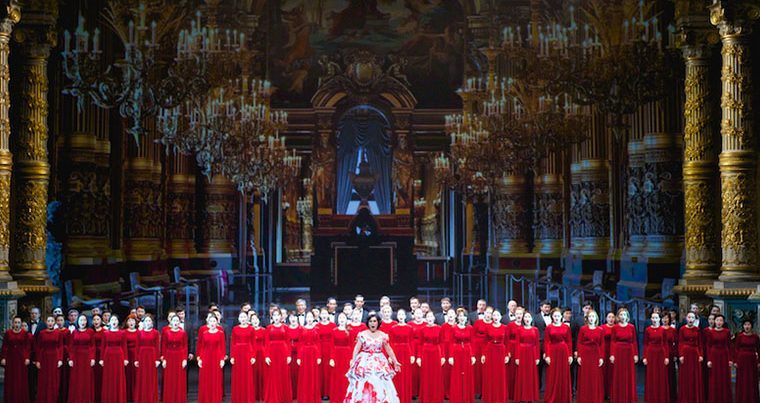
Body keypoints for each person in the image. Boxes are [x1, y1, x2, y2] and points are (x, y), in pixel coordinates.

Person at [343, 313, 401, 403]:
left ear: (378, 322)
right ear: (368, 323)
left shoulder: (383, 335)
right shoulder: (362, 334)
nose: (372, 323)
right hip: (364, 362)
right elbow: (356, 349)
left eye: (374, 321)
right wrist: (353, 361)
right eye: (370, 321)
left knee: (380, 381)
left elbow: (389, 349)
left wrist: (395, 361)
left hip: (379, 361)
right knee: (363, 382)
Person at [543, 308, 572, 403]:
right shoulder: (549, 327)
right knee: (552, 374)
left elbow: (569, 342)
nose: (556, 318)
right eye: (555, 316)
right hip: (553, 351)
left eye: (558, 316)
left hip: (564, 351)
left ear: (561, 316)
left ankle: (563, 397)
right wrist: (547, 355)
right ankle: (552, 397)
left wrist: (570, 355)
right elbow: (546, 342)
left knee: (563, 374)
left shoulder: (566, 327)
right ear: (552, 317)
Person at [33, 315, 64, 403]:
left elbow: (60, 346)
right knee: (43, 380)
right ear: (46, 322)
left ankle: (53, 399)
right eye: (48, 321)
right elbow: (39, 347)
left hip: (54, 357)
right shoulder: (42, 333)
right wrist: (38, 360)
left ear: (54, 322)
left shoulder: (58, 333)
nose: (50, 323)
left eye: (52, 321)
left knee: (54, 380)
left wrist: (60, 359)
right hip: (44, 358)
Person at [1, 316, 32, 403]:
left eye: (19, 323)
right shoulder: (8, 333)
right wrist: (3, 357)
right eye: (15, 322)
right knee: (11, 379)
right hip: (10, 359)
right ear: (13, 323)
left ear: (21, 324)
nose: (17, 324)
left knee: (20, 379)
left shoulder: (25, 333)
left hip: (21, 359)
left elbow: (27, 347)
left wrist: (27, 358)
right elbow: (4, 346)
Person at [265, 309, 293, 403]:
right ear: (272, 317)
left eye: (278, 315)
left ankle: (283, 397)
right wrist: (267, 356)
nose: (276, 317)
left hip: (283, 352)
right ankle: (273, 397)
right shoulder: (268, 328)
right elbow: (266, 342)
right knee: (273, 375)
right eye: (274, 315)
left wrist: (289, 355)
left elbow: (288, 342)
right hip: (272, 352)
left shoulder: (286, 327)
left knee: (283, 374)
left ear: (281, 316)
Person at [610, 308, 638, 403]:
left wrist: (635, 354)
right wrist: (612, 354)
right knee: (619, 374)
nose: (622, 316)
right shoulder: (615, 327)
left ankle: (629, 397)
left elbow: (634, 341)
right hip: (618, 351)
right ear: (618, 316)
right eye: (621, 315)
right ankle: (619, 397)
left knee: (629, 374)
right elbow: (613, 342)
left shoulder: (631, 327)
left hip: (629, 352)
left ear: (627, 316)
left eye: (624, 315)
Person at [575, 310, 604, 403]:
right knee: (585, 377)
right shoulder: (583, 329)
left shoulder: (600, 330)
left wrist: (601, 357)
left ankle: (594, 398)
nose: (591, 318)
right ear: (587, 318)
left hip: (595, 354)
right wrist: (579, 355)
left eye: (593, 316)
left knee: (595, 377)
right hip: (585, 354)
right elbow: (579, 342)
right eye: (590, 317)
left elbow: (602, 344)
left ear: (596, 318)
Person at [67, 313, 95, 403]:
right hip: (76, 357)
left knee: (86, 379)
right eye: (81, 320)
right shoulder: (74, 332)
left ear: (87, 321)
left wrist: (92, 358)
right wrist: (71, 358)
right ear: (77, 321)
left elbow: (92, 346)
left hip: (87, 357)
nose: (83, 322)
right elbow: (71, 346)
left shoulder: (90, 331)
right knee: (76, 379)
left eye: (84, 320)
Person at [197, 313, 226, 403]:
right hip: (206, 357)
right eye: (211, 321)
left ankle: (215, 399)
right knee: (205, 378)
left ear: (217, 322)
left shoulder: (221, 333)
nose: (213, 323)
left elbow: (222, 347)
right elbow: (202, 346)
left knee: (216, 378)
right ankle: (205, 399)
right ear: (208, 322)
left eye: (214, 321)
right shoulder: (204, 333)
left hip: (216, 357)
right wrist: (200, 358)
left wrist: (222, 359)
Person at [448, 308, 475, 403]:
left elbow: (472, 342)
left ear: (466, 317)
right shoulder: (453, 328)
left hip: (467, 352)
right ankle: (457, 398)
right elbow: (451, 342)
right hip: (457, 352)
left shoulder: (470, 328)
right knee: (457, 375)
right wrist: (451, 356)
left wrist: (473, 356)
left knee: (467, 375)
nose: (462, 318)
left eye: (463, 316)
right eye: (460, 316)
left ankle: (467, 398)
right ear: (457, 317)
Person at [481, 310, 508, 403]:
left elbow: (507, 342)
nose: (496, 317)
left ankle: (500, 397)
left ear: (501, 317)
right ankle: (490, 397)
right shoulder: (488, 327)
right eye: (494, 315)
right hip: (490, 350)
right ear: (492, 317)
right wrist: (483, 354)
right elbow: (485, 342)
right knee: (490, 374)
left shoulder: (505, 327)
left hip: (501, 351)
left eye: (498, 315)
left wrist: (507, 355)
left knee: (500, 374)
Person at [513, 312, 540, 403]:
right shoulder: (519, 329)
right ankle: (522, 397)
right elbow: (517, 343)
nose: (527, 319)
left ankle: (530, 397)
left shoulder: (535, 329)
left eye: (529, 317)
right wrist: (517, 357)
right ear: (523, 319)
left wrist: (537, 357)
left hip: (532, 354)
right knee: (522, 375)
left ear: (532, 318)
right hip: (522, 353)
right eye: (526, 317)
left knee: (530, 375)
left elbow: (537, 344)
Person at [643, 311, 669, 403]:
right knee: (651, 374)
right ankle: (651, 397)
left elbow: (665, 344)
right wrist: (645, 357)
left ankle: (661, 396)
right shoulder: (648, 330)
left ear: (659, 319)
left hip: (660, 353)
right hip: (651, 353)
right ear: (651, 319)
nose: (654, 320)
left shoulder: (663, 330)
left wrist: (666, 357)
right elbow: (645, 344)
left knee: (660, 375)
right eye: (653, 318)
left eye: (656, 318)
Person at [101, 315, 128, 403]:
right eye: (112, 319)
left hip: (119, 356)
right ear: (109, 322)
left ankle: (119, 398)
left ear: (118, 322)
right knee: (109, 377)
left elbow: (124, 346)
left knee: (118, 377)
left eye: (115, 319)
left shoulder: (122, 333)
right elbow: (103, 346)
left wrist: (125, 359)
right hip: (108, 356)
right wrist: (101, 359)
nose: (114, 321)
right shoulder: (105, 333)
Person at [389, 309, 414, 403]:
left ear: (405, 316)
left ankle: (406, 398)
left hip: (406, 351)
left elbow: (411, 341)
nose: (401, 316)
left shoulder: (410, 328)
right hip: (396, 351)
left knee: (406, 374)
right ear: (397, 316)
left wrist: (412, 355)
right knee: (396, 375)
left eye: (402, 314)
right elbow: (390, 342)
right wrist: (390, 356)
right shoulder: (393, 328)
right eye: (399, 314)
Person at [678, 311, 704, 403]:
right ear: (686, 318)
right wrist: (680, 355)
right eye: (689, 317)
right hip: (685, 353)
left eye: (692, 317)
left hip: (695, 353)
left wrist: (701, 355)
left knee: (695, 375)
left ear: (695, 319)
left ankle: (695, 398)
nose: (690, 319)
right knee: (686, 376)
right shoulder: (682, 329)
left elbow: (700, 343)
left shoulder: (697, 330)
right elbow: (680, 343)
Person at [418, 311, 444, 403]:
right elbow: (420, 344)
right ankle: (426, 398)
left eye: (431, 316)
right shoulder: (422, 329)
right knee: (426, 375)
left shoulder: (439, 328)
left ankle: (436, 398)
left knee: (436, 376)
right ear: (426, 318)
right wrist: (419, 357)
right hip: (425, 353)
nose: (429, 318)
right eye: (428, 317)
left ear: (433, 318)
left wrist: (442, 356)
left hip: (436, 353)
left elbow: (442, 343)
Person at [162, 313, 188, 403]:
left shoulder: (183, 332)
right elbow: (164, 346)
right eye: (174, 320)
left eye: (177, 321)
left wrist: (184, 359)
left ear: (179, 322)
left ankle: (179, 399)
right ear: (171, 322)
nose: (176, 322)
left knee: (179, 378)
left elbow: (185, 346)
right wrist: (164, 359)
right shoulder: (166, 332)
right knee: (169, 378)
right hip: (169, 356)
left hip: (179, 356)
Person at [705, 314, 731, 403]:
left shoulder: (727, 331)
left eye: (721, 320)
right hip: (714, 355)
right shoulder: (710, 332)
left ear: (723, 322)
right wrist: (709, 359)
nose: (719, 322)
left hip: (724, 355)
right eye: (717, 320)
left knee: (724, 377)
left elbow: (729, 345)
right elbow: (708, 346)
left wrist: (730, 359)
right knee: (714, 377)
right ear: (714, 321)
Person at [231, 311, 256, 403]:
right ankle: (238, 398)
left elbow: (253, 343)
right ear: (238, 319)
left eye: (245, 317)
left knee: (248, 375)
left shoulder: (251, 329)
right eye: (241, 317)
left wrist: (253, 356)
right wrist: (232, 356)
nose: (243, 319)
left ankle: (248, 398)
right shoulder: (235, 329)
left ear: (247, 318)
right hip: (238, 353)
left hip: (248, 353)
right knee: (238, 375)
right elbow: (233, 343)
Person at [134, 315, 160, 403]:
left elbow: (157, 346)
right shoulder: (139, 333)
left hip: (152, 356)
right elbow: (137, 346)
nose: (148, 322)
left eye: (149, 321)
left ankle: (151, 398)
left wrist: (157, 359)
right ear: (143, 322)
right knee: (142, 377)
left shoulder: (155, 332)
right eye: (146, 321)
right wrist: (136, 359)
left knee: (151, 377)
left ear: (152, 322)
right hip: (142, 356)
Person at [298, 312, 322, 403]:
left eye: (311, 317)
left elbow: (318, 343)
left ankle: (313, 398)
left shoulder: (317, 329)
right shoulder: (302, 329)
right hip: (304, 353)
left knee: (313, 374)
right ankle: (304, 398)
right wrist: (299, 357)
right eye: (307, 317)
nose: (309, 318)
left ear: (313, 318)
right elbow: (300, 343)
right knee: (304, 375)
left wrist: (319, 356)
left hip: (314, 353)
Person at [733, 319, 759, 403]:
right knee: (742, 379)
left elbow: (759, 349)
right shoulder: (740, 336)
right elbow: (736, 349)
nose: (747, 326)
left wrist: (759, 362)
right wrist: (735, 361)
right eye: (745, 325)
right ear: (743, 326)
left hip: (752, 360)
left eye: (748, 325)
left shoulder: (756, 337)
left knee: (752, 379)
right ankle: (741, 399)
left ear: (751, 326)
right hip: (741, 360)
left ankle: (752, 399)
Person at [317, 308, 337, 399]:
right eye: (323, 314)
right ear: (320, 315)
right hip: (319, 348)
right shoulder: (317, 326)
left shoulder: (333, 325)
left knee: (329, 371)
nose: (324, 315)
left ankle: (329, 392)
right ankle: (320, 392)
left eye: (326, 313)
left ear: (328, 315)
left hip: (330, 349)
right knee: (320, 370)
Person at [506, 307, 524, 401]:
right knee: (512, 371)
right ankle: (512, 393)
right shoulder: (510, 325)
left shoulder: (525, 325)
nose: (519, 316)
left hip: (523, 350)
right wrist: (508, 351)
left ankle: (521, 393)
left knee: (521, 372)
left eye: (520, 314)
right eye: (517, 314)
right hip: (512, 350)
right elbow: (507, 339)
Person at [123, 314, 139, 402]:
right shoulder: (123, 332)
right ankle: (128, 396)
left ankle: (135, 396)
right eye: (129, 321)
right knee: (127, 375)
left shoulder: (139, 332)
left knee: (136, 376)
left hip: (136, 356)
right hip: (127, 355)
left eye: (133, 320)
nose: (131, 322)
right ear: (126, 322)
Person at [287, 311, 304, 398]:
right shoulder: (286, 328)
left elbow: (302, 342)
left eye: (294, 317)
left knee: (298, 374)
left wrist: (300, 356)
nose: (293, 319)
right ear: (289, 319)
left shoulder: (301, 329)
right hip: (288, 355)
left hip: (298, 354)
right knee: (289, 374)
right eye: (291, 317)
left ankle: (298, 394)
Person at [251, 313, 267, 402]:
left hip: (261, 353)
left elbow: (266, 343)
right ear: (250, 321)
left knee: (262, 374)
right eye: (253, 319)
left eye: (256, 319)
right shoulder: (249, 330)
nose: (255, 321)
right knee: (252, 374)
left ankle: (262, 394)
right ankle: (253, 395)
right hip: (251, 353)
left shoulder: (264, 330)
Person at [91, 313, 106, 402]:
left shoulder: (105, 331)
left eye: (98, 319)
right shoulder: (90, 331)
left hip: (102, 355)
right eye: (94, 320)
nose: (96, 321)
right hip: (92, 355)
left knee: (101, 376)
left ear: (101, 321)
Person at [602, 311, 616, 400]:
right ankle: (604, 392)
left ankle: (612, 392)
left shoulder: (617, 327)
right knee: (604, 372)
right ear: (606, 318)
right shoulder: (602, 328)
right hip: (605, 350)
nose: (611, 319)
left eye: (612, 317)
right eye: (609, 317)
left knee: (613, 372)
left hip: (614, 351)